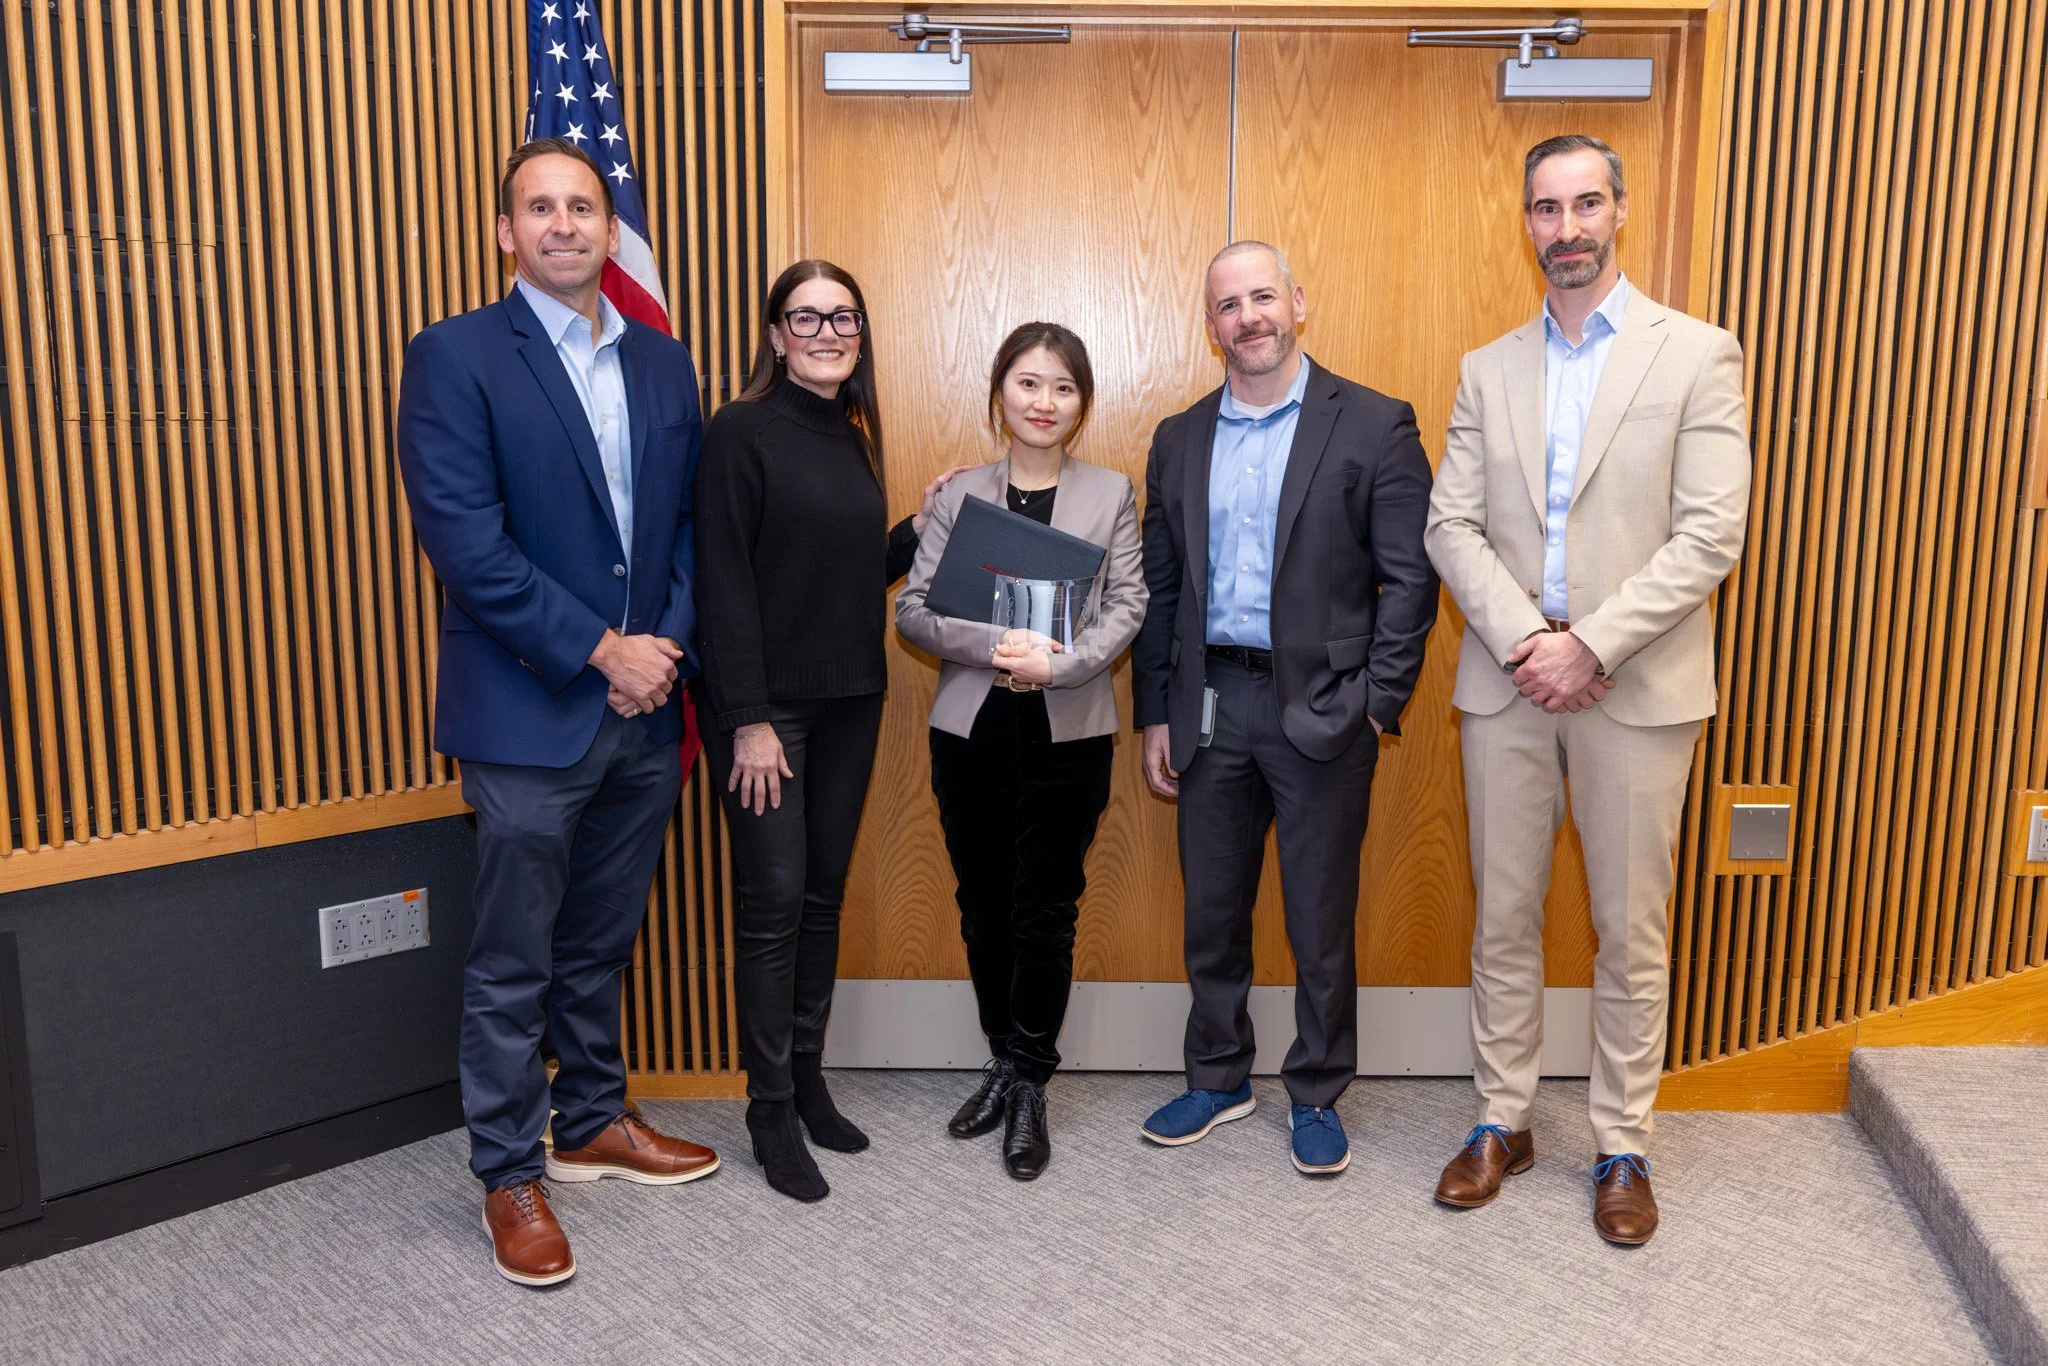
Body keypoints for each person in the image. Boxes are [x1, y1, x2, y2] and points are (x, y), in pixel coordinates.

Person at [395, 137, 718, 1289]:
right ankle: (505, 1170)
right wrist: (601, 651)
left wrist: (660, 648)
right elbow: (466, 546)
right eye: (540, 208)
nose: (566, 224)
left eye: (582, 206)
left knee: (600, 936)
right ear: (506, 232)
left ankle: (589, 1117)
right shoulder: (455, 356)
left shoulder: (665, 365)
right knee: (512, 955)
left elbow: (684, 524)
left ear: (609, 227)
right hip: (531, 709)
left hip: (643, 708)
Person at [1423, 135, 1750, 1245]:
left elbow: (1712, 530)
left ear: (1620, 211)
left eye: (1583, 205)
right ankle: (1500, 1120)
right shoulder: (1485, 367)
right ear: (1522, 222)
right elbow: (1447, 525)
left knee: (1628, 927)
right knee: (1502, 915)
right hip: (1508, 680)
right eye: (1542, 209)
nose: (1563, 228)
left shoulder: (1696, 354)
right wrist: (1528, 639)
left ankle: (1621, 1141)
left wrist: (1592, 644)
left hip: (1639, 683)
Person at [1131, 242, 1439, 1176]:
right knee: (1212, 911)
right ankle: (1218, 1076)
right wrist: (1155, 712)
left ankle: (1316, 1091)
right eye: (1228, 305)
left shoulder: (1376, 424)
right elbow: (1162, 587)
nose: (1248, 317)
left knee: (1319, 917)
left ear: (1299, 302)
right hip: (1210, 704)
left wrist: (1377, 704)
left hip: (1323, 710)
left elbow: (1410, 578)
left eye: (1263, 296)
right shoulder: (1178, 437)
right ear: (1211, 324)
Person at [694, 260, 966, 1202]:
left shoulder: (852, 437)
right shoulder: (740, 431)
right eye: (804, 316)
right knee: (771, 905)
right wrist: (748, 722)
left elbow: (845, 573)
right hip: (770, 718)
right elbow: (725, 583)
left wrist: (921, 526)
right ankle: (767, 1107)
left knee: (821, 896)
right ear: (774, 334)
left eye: (842, 316)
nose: (825, 330)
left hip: (852, 699)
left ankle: (807, 1082)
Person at [896, 323, 1148, 1181]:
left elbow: (1127, 604)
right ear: (1000, 391)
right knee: (981, 904)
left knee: (1047, 908)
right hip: (972, 728)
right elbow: (915, 612)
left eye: (1063, 388)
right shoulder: (959, 493)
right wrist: (998, 645)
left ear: (1081, 404)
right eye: (1029, 384)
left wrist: (1062, 661)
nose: (1044, 402)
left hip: (1068, 731)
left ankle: (1033, 1079)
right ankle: (1001, 1058)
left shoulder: (1111, 492)